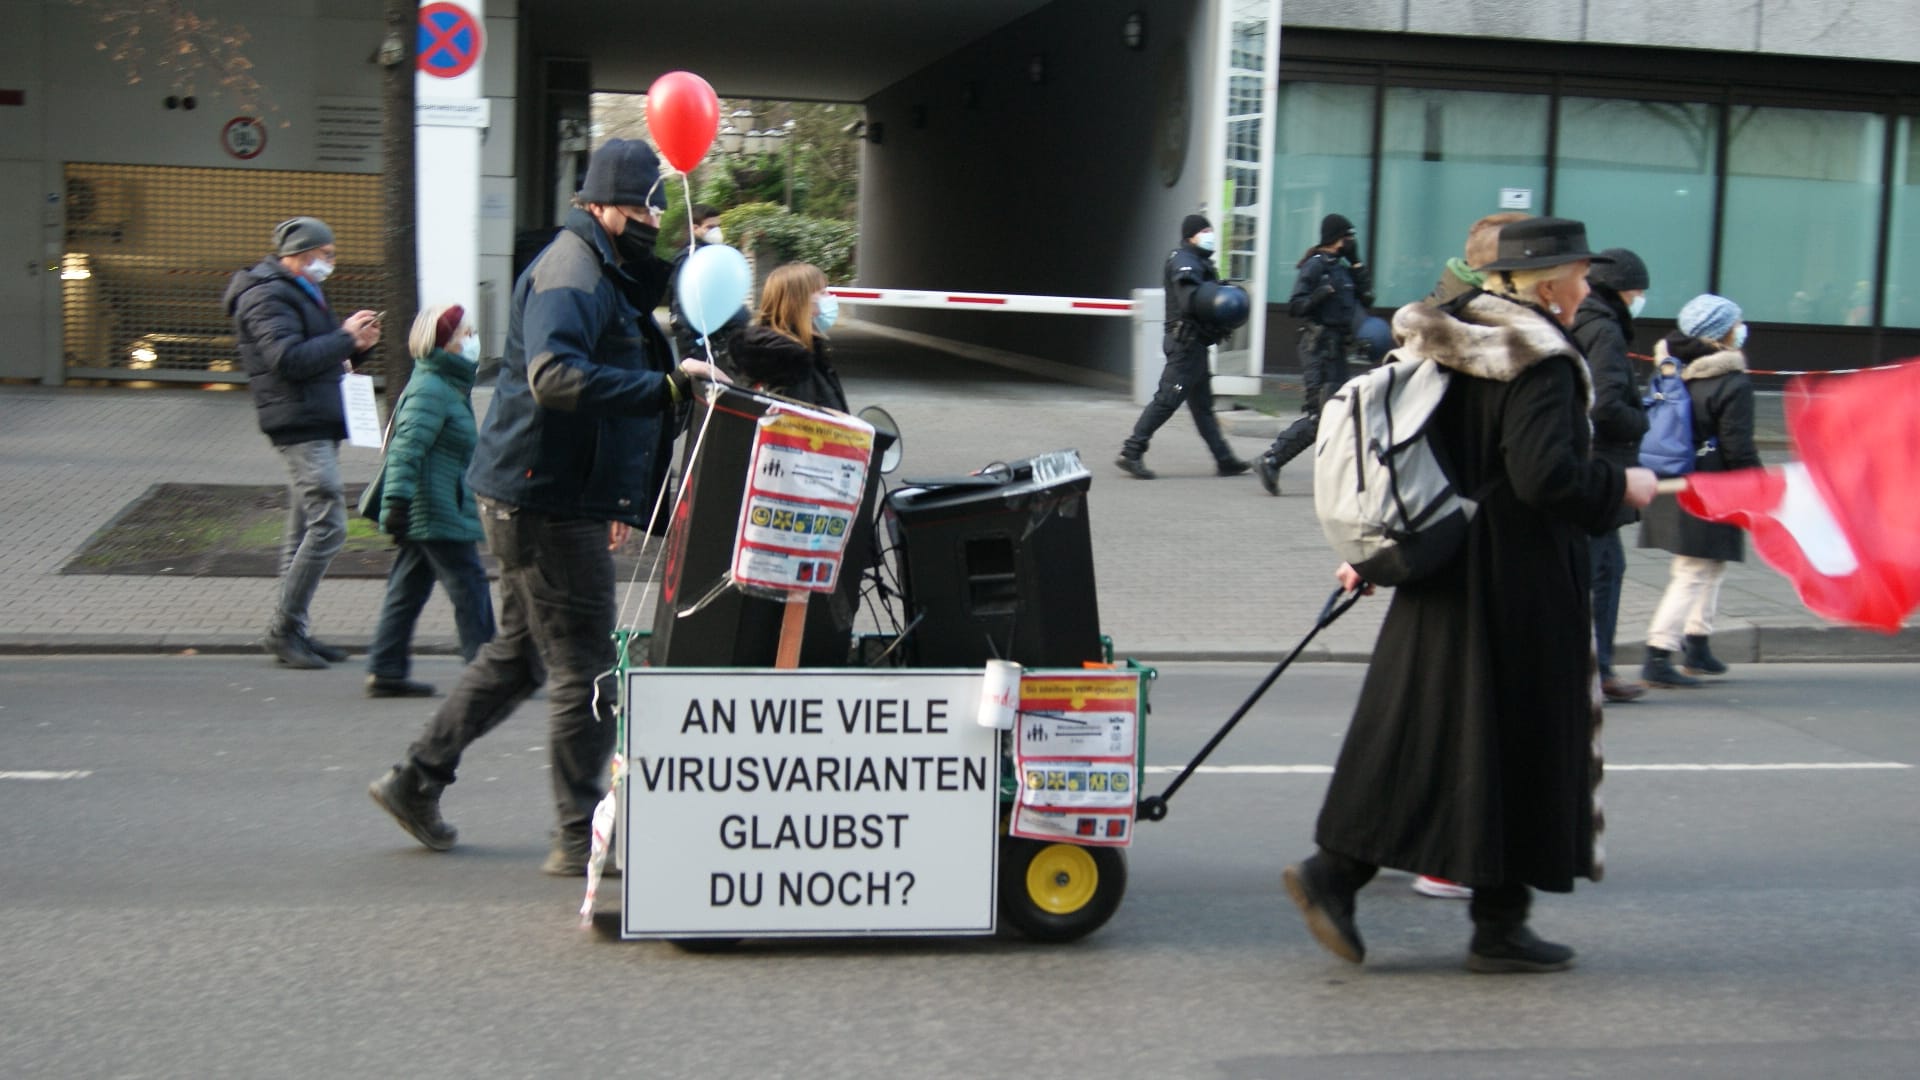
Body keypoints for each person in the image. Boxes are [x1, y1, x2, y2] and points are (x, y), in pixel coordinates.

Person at [1281, 217, 1658, 974]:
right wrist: (1623, 487)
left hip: (1442, 561)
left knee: (1426, 734)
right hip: (1517, 582)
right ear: (1546, 285)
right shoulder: (1542, 360)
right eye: (1577, 275)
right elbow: (1544, 477)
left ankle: (1361, 878)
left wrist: (1381, 545)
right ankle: (1494, 922)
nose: (1584, 288)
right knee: (1517, 739)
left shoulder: (1449, 338)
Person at [368, 139, 729, 876]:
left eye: (652, 210)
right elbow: (556, 377)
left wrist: (691, 271)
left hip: (544, 490)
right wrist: (665, 391)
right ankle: (575, 835)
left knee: (519, 657)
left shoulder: (600, 265)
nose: (646, 223)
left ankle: (415, 780)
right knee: (586, 668)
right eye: (635, 210)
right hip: (544, 499)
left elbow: (635, 310)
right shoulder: (570, 272)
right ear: (597, 205)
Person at [224, 216, 381, 670]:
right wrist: (344, 337)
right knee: (329, 523)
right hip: (298, 423)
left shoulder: (298, 291)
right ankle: (283, 630)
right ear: (298, 253)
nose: (330, 263)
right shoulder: (264, 295)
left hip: (314, 417)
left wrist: (356, 346)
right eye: (325, 255)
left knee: (301, 533)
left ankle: (294, 631)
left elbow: (318, 353)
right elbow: (287, 360)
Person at [362, 303, 497, 698]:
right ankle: (487, 672)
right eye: (466, 334)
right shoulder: (432, 389)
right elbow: (405, 451)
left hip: (434, 504)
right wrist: (397, 506)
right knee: (469, 584)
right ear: (446, 344)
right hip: (433, 508)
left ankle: (386, 668)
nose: (473, 339)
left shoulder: (444, 383)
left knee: (408, 587)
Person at [1638, 294, 1760, 688]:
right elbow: (1737, 444)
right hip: (1712, 483)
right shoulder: (1731, 381)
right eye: (1735, 322)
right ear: (1720, 331)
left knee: (1709, 564)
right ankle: (1658, 653)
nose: (1740, 329)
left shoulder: (1670, 366)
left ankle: (1698, 644)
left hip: (1671, 475)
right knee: (1693, 569)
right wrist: (1757, 484)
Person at [1574, 249, 1653, 703]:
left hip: (1592, 463)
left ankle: (1593, 666)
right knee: (1604, 570)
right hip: (1603, 465)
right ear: (1620, 289)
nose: (1640, 297)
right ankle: (1597, 670)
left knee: (1600, 567)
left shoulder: (1587, 321)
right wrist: (1640, 420)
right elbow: (1605, 404)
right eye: (1637, 289)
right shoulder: (1604, 329)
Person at [1116, 213, 1252, 480]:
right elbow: (1191, 300)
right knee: (1166, 400)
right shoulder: (1184, 261)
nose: (1210, 234)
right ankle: (1131, 452)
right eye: (1205, 230)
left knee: (1203, 408)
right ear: (1191, 235)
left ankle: (1224, 459)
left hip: (1195, 346)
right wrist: (1218, 302)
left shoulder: (1199, 260)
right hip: (1185, 346)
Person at [1254, 213, 1374, 496]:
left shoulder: (1343, 269)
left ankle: (1340, 477)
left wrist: (1356, 263)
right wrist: (1318, 295)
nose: (1351, 242)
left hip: (1337, 350)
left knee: (1341, 413)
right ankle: (1271, 459)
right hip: (1317, 349)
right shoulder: (1314, 266)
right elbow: (1295, 306)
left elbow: (1367, 297)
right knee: (1320, 415)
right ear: (1335, 238)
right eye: (1348, 237)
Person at [728, 262, 850, 412]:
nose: (830, 298)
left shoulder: (776, 352)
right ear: (799, 302)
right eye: (822, 292)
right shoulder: (792, 361)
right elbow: (805, 423)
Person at [668, 203, 747, 367]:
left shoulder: (714, 255)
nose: (716, 231)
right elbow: (686, 303)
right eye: (710, 227)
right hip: (697, 341)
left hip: (718, 338)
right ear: (694, 228)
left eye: (718, 226)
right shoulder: (689, 258)